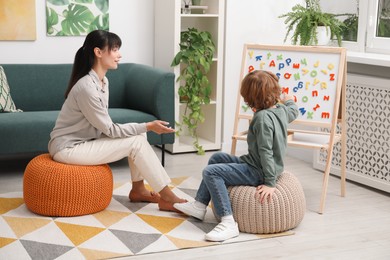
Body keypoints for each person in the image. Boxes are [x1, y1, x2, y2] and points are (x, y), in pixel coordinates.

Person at [48, 30, 186, 211]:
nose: (119, 55)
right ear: (98, 52)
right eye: (114, 50)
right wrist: (148, 125)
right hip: (68, 148)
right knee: (137, 140)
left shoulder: (102, 81)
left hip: (85, 142)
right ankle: (167, 197)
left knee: (140, 136)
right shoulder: (86, 88)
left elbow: (104, 126)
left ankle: (138, 190)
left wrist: (144, 129)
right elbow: (110, 130)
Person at [174, 70, 299, 242]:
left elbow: (266, 152)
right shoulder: (282, 110)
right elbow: (294, 110)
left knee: (211, 172)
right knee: (216, 158)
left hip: (258, 171)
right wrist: (289, 99)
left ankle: (228, 222)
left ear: (251, 98)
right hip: (256, 163)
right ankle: (199, 205)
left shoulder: (262, 119)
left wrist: (270, 182)